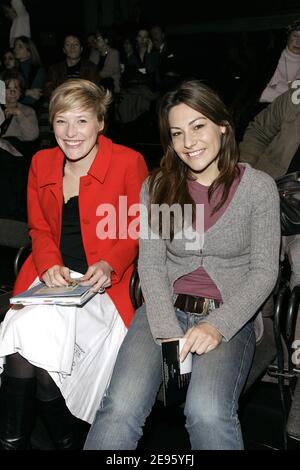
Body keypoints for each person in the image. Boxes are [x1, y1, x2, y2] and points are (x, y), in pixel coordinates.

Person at [84, 79, 281, 450]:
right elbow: (153, 266)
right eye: (177, 133)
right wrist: (165, 330)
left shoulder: (259, 188)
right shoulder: (158, 186)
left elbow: (264, 271)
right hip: (163, 311)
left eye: (198, 126)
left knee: (207, 411)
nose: (188, 142)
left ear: (223, 125)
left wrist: (218, 327)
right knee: (119, 408)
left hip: (228, 315)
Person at [0, 78, 148, 450]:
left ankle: (62, 441)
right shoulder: (41, 162)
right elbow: (38, 227)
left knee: (45, 361)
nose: (71, 132)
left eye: (82, 121)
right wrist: (49, 263)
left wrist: (109, 263)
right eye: (62, 121)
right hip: (51, 281)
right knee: (24, 347)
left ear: (101, 121)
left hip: (103, 288)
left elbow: (136, 229)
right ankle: (14, 442)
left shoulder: (129, 162)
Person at [239, 87, 300, 290]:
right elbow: (259, 131)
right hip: (269, 193)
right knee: (252, 270)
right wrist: (247, 175)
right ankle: (260, 319)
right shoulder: (295, 98)